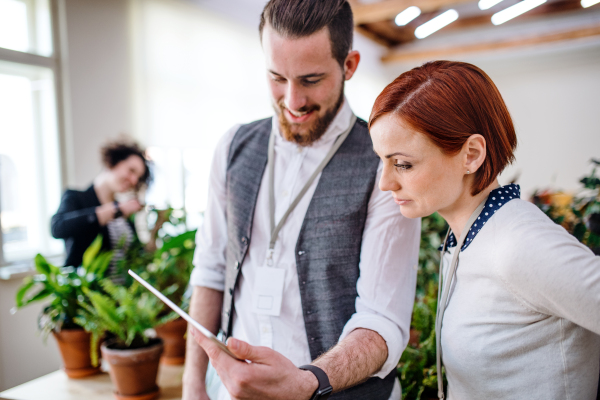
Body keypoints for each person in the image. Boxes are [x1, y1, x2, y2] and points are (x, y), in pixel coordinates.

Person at [183, 1, 421, 399]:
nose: (292, 101)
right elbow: (210, 272)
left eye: (311, 80)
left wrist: (307, 381)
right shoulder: (233, 147)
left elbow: (382, 321)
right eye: (277, 77)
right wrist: (193, 386)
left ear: (349, 66)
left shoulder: (384, 162)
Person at [369, 60, 600, 400]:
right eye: (382, 160)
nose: (385, 183)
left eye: (403, 163)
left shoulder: (518, 244)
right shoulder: (468, 236)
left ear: (471, 155)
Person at [51, 139, 150, 272]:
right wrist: (115, 211)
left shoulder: (124, 210)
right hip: (87, 290)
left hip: (121, 292)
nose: (133, 180)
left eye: (138, 178)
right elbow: (57, 228)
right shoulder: (76, 198)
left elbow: (138, 255)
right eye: (131, 171)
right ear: (113, 162)